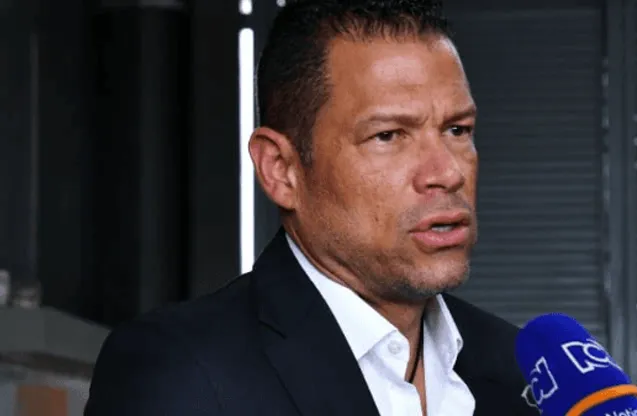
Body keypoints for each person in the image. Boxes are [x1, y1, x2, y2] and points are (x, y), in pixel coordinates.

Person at [85, 1, 539, 415]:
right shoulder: (181, 371)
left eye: (457, 130)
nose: (447, 172)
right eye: (387, 136)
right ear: (281, 170)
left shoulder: (525, 371)